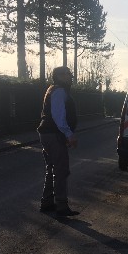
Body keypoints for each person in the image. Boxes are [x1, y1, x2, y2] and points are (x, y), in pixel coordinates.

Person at [37, 66, 80, 216]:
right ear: (57, 76)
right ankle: (61, 206)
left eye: (69, 73)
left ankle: (47, 202)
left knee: (52, 169)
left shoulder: (54, 89)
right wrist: (69, 134)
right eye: (65, 74)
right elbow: (58, 116)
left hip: (48, 134)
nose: (69, 76)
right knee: (61, 170)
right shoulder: (59, 91)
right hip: (54, 134)